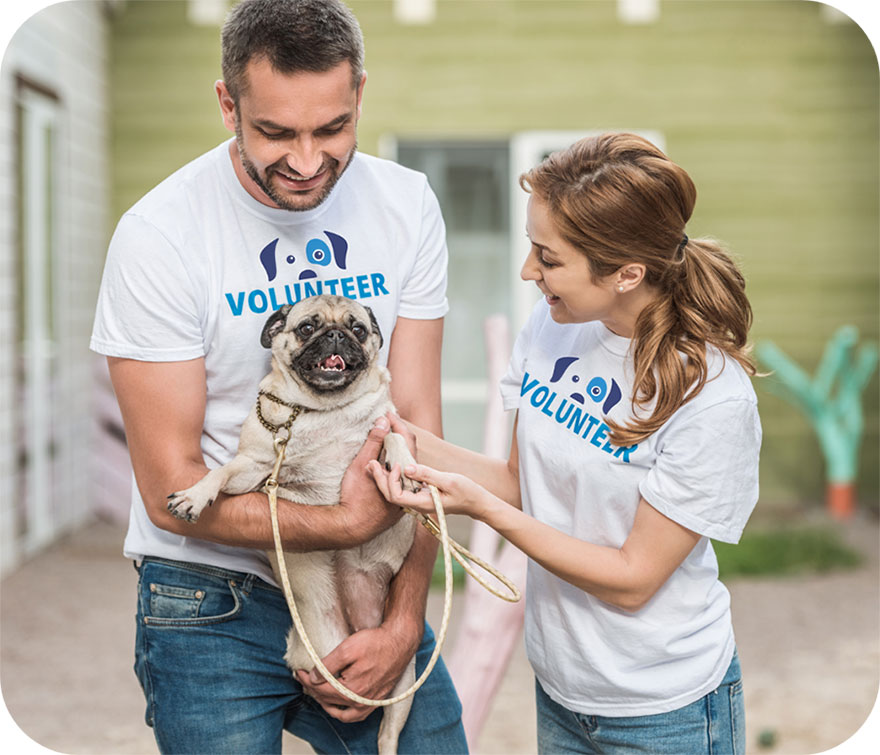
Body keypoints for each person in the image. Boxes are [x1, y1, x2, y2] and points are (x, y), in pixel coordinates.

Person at [89, 0, 467, 752]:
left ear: (360, 94)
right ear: (228, 104)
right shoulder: (160, 236)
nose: (305, 159)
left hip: (371, 578)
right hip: (210, 595)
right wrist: (347, 522)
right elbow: (171, 492)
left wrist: (403, 618)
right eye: (275, 132)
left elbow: (420, 430)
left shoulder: (405, 205)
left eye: (331, 129)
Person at [371, 132, 761, 754]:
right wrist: (389, 433)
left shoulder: (710, 396)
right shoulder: (553, 327)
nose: (529, 272)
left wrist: (480, 508)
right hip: (560, 692)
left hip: (667, 711)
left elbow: (633, 579)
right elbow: (519, 483)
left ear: (627, 274)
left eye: (549, 260)